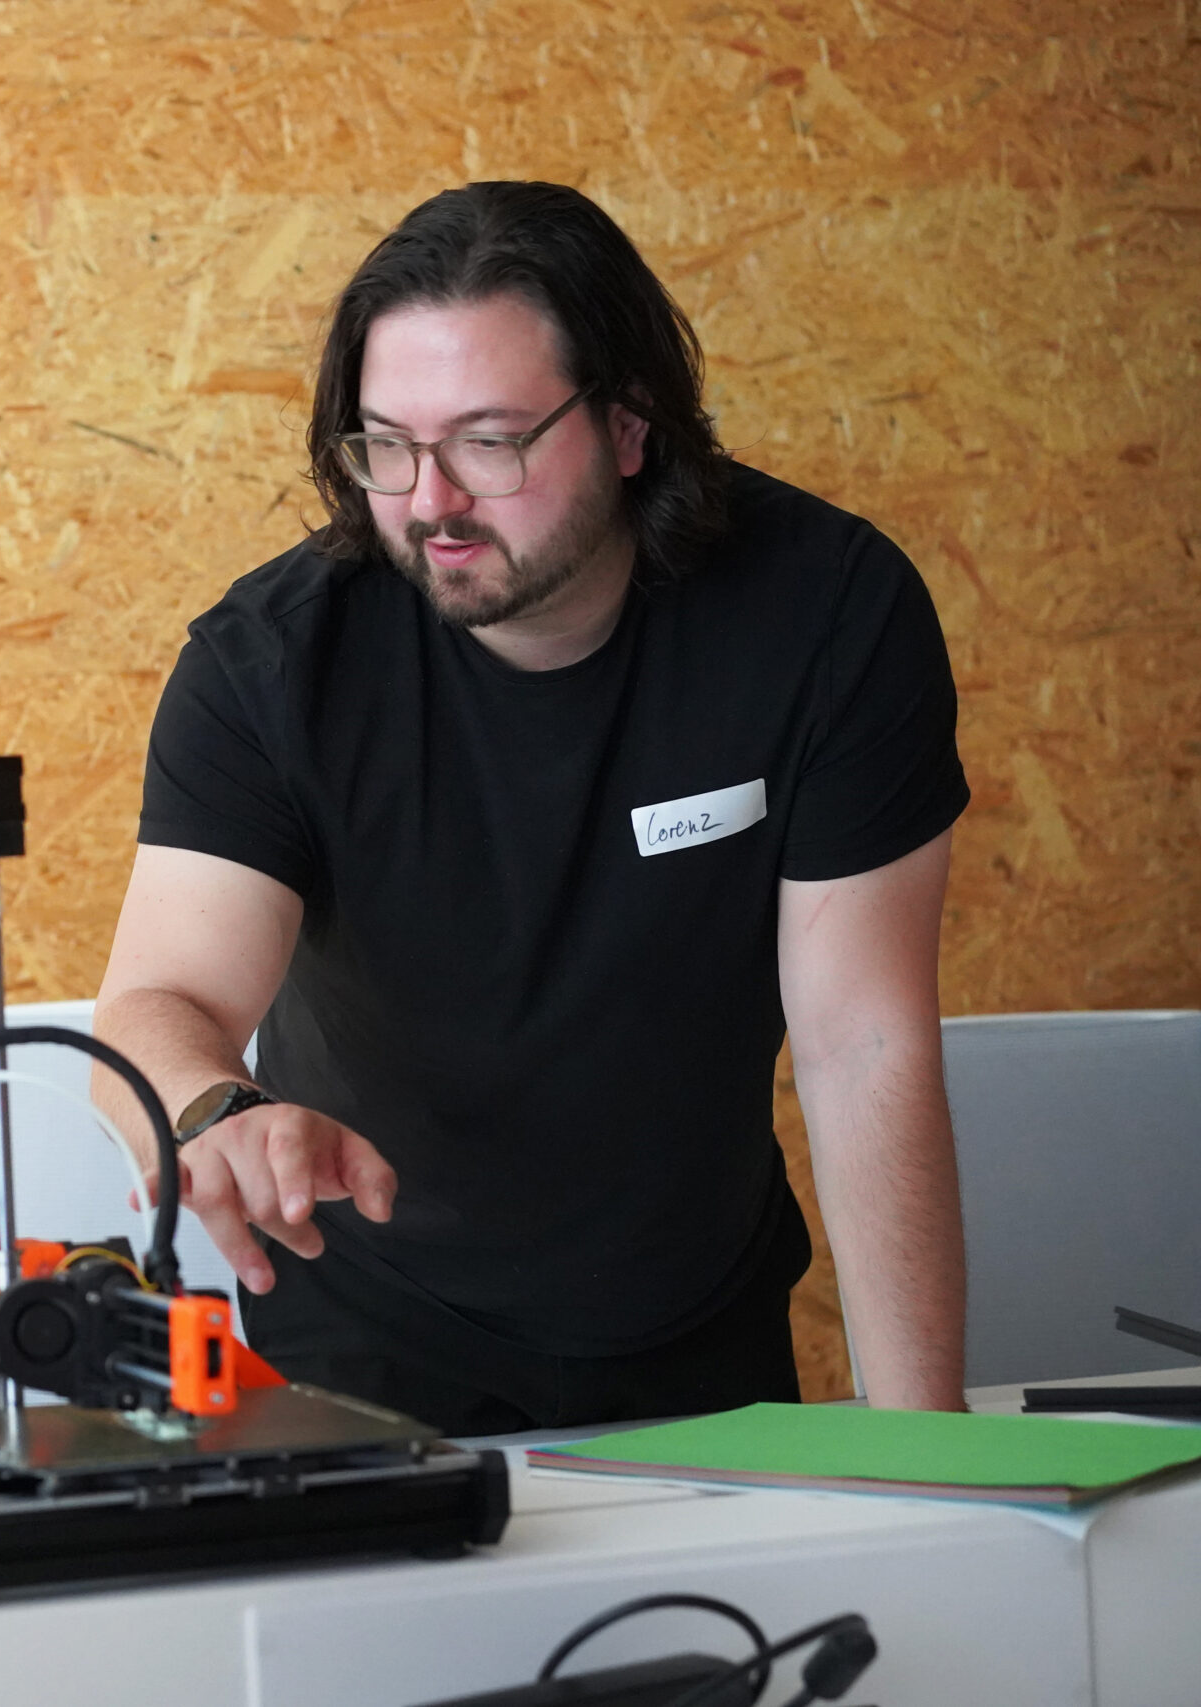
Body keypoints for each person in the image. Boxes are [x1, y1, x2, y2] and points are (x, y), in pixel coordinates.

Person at [92, 181, 970, 1438]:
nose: (429, 500)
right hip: (362, 1345)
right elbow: (153, 1008)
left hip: (696, 1334)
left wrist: (925, 1458)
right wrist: (215, 1111)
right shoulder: (271, 666)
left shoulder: (823, 613)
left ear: (627, 425)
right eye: (385, 444)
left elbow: (863, 1045)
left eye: (489, 441)